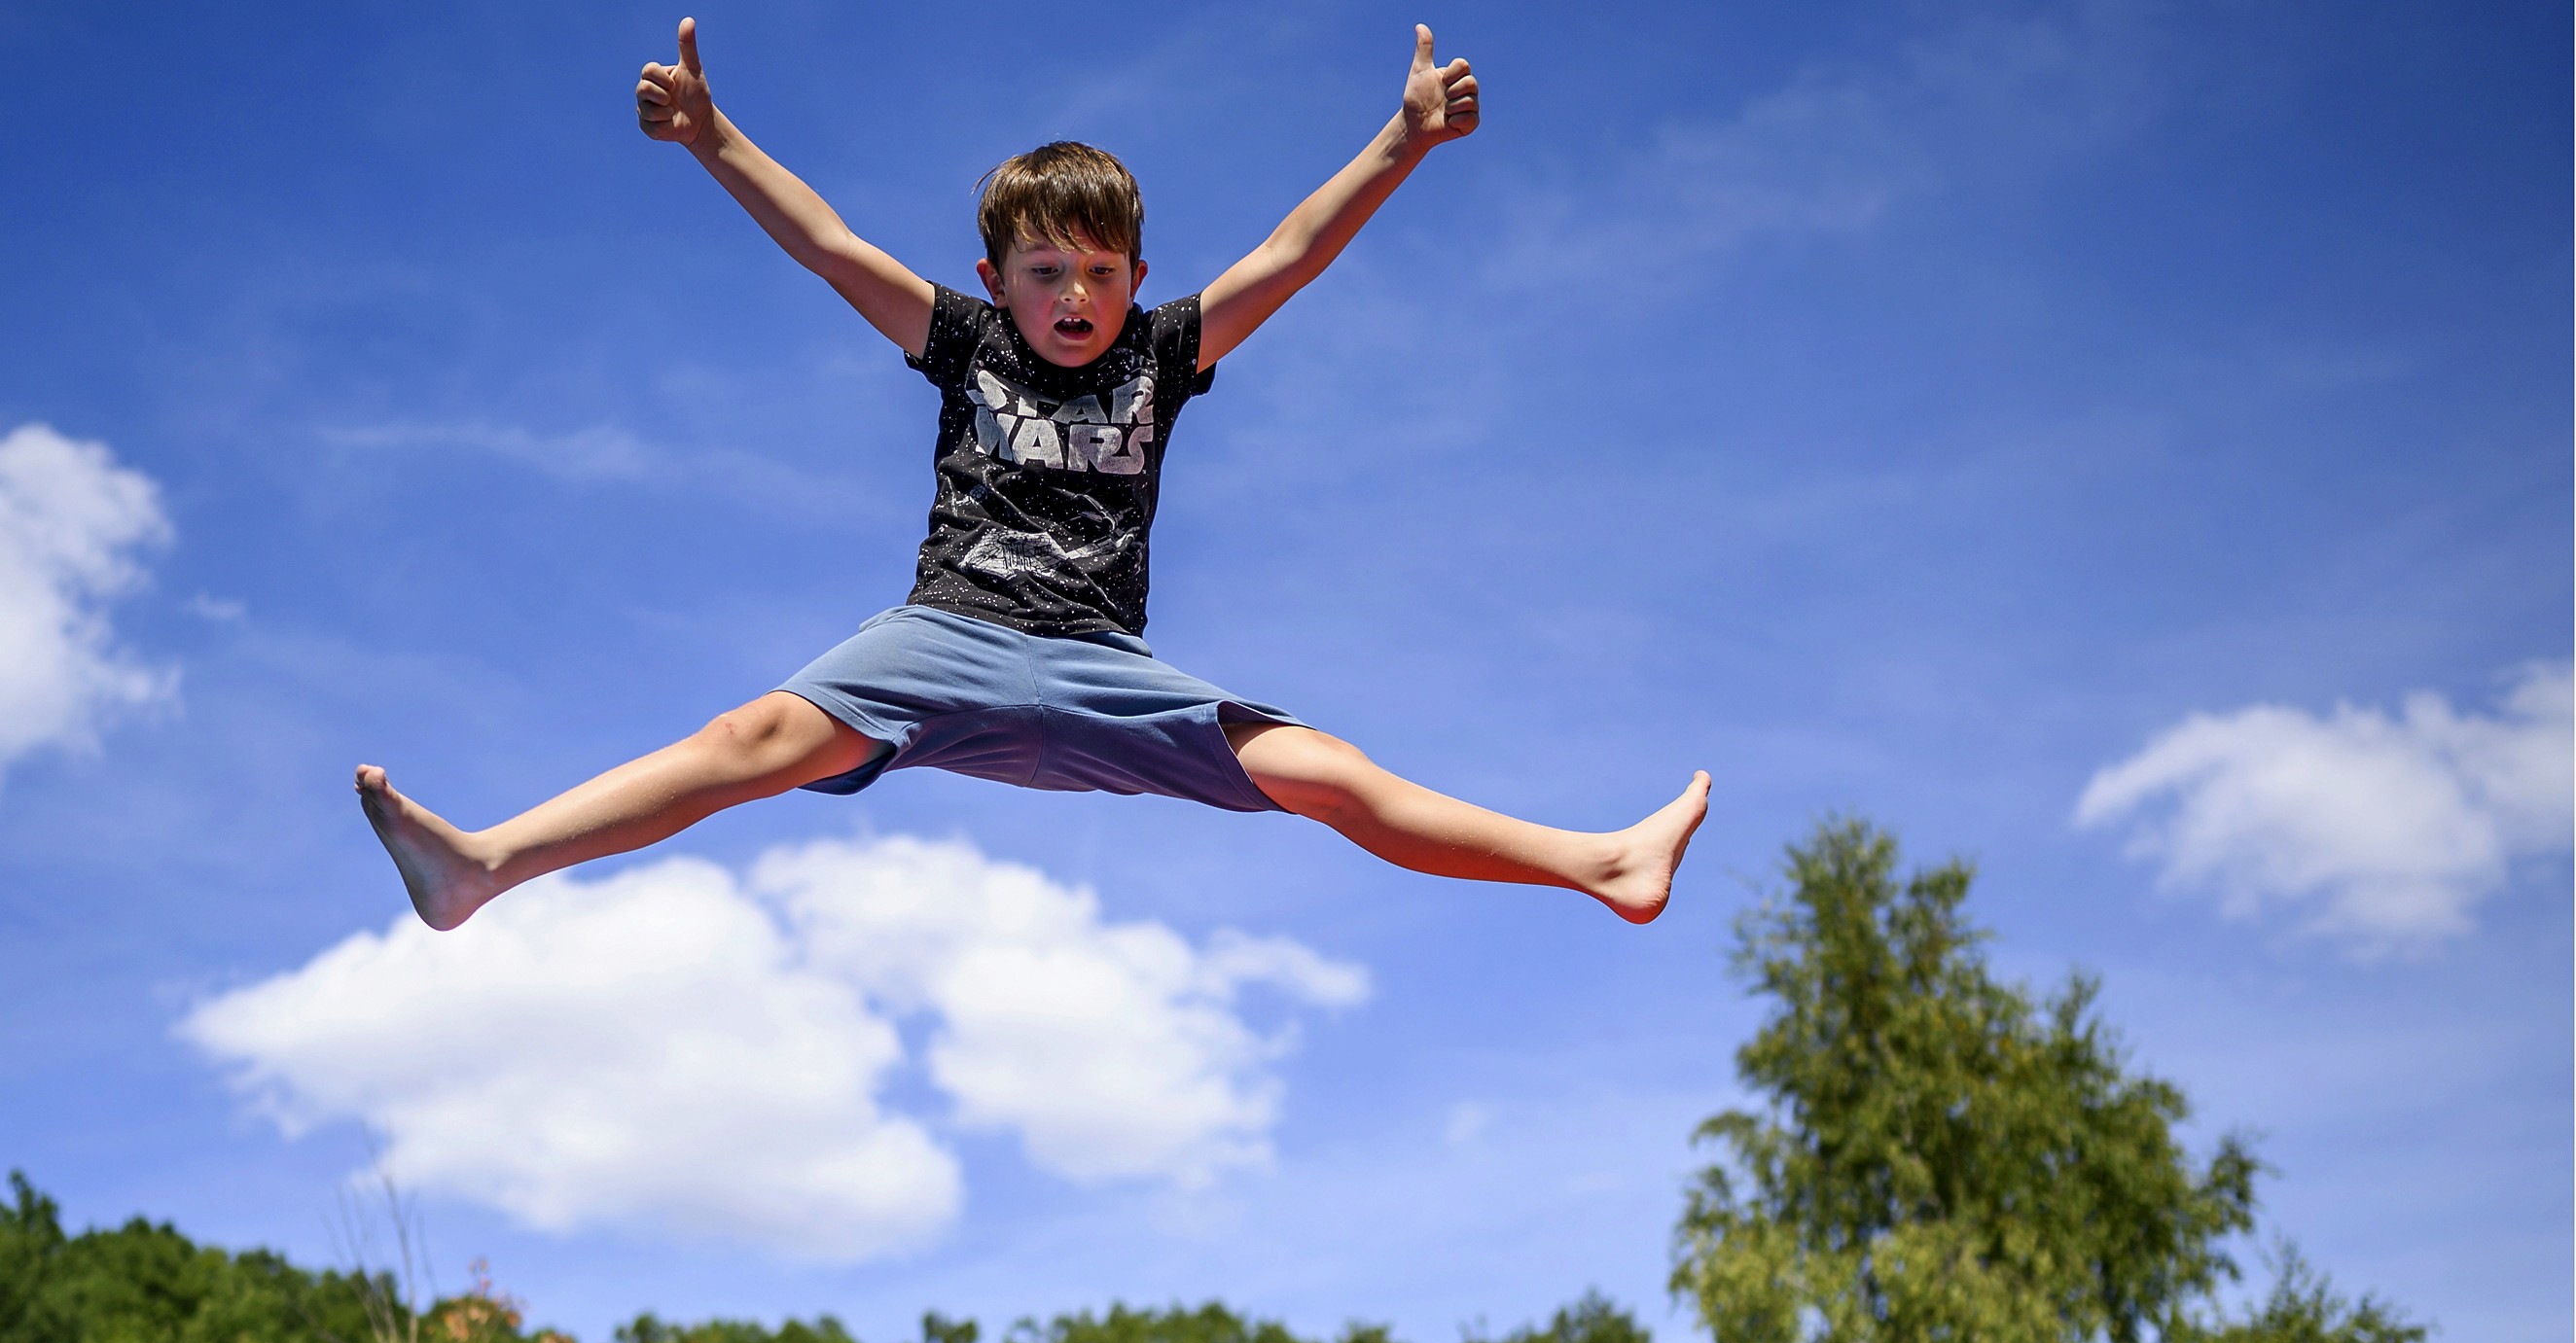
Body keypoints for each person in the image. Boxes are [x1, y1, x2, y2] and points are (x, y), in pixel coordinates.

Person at [357, 18, 1707, 934]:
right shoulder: (962, 341)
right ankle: (486, 866)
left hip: (1102, 667)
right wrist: (714, 139)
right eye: (1047, 273)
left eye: (1103, 272)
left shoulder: (1169, 354)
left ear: (1135, 276)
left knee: (1329, 771)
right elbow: (829, 245)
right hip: (946, 639)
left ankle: (1601, 863)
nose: (1076, 297)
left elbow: (1293, 251)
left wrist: (1401, 143)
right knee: (747, 742)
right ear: (999, 277)